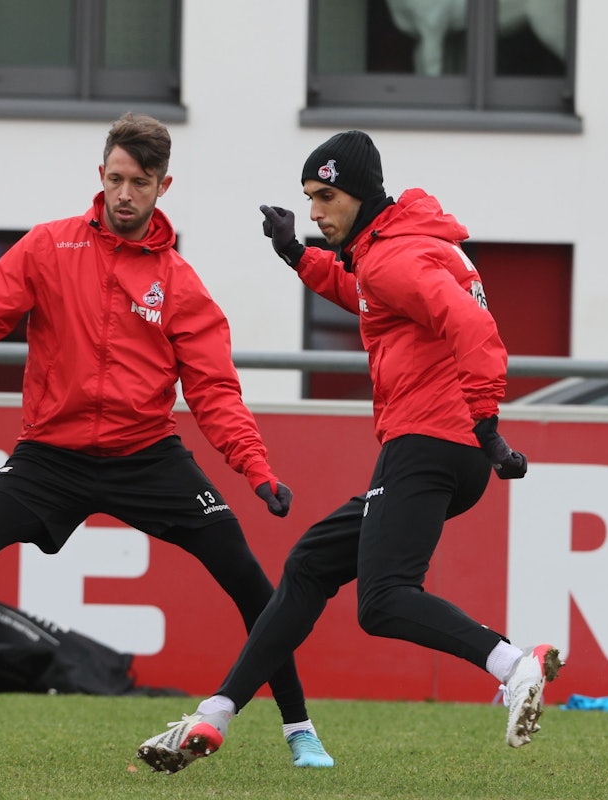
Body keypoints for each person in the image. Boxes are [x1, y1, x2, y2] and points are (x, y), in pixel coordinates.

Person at [0, 112, 334, 769]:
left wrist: (256, 470)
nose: (125, 194)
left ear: (163, 186)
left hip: (145, 454)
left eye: (140, 183)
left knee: (248, 577)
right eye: (116, 179)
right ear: (101, 174)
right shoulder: (48, 246)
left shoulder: (180, 284)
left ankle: (299, 730)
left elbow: (214, 392)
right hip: (50, 454)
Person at [136, 130, 563, 773]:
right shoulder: (401, 244)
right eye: (309, 197)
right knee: (311, 563)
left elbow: (472, 326)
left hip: (428, 440)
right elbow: (369, 294)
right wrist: (296, 255)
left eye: (325, 197)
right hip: (449, 447)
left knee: (384, 599)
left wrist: (487, 421)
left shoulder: (393, 257)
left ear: (360, 194)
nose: (314, 212)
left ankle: (512, 665)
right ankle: (214, 714)